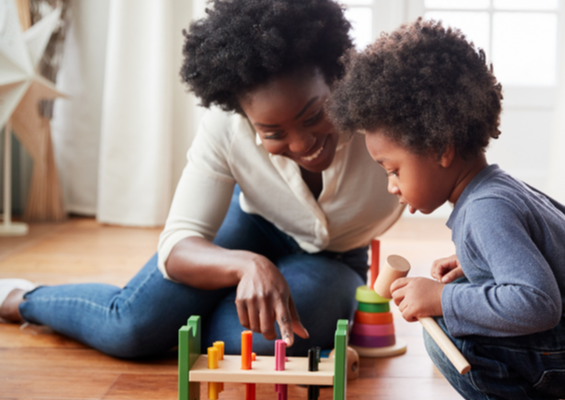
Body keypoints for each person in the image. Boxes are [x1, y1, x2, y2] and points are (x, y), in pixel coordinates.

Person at [0, 0, 403, 358]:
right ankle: (20, 298)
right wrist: (246, 266)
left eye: (314, 116)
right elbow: (178, 244)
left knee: (260, 341)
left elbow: (457, 175)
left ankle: (180, 317)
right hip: (253, 227)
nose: (302, 144)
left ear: (336, 77)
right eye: (273, 133)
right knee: (131, 328)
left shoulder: (387, 113)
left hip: (334, 258)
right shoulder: (225, 127)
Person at [328, 19, 565, 399]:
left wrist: (440, 299)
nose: (391, 186)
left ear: (441, 147)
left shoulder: (486, 209)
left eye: (393, 170)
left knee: (450, 335)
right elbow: (558, 246)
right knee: (464, 290)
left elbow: (538, 305)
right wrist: (476, 260)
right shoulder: (497, 188)